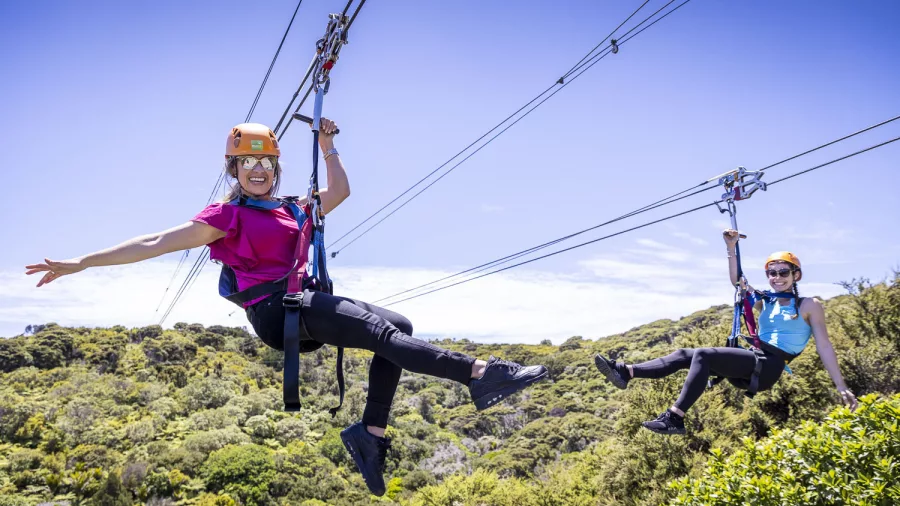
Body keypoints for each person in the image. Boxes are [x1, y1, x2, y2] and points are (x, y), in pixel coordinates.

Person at [25, 120, 548, 495]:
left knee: (398, 325)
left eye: (266, 162)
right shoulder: (226, 215)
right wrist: (82, 263)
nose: (257, 169)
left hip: (304, 299)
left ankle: (370, 435)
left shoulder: (294, 206)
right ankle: (480, 373)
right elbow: (154, 241)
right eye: (247, 162)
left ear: (275, 168)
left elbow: (340, 191)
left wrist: (328, 146)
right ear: (234, 168)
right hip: (278, 311)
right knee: (379, 333)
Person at [593, 229, 858, 435]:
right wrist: (731, 249)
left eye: (783, 272)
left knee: (704, 356)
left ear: (796, 275)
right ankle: (626, 372)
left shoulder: (809, 305)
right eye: (771, 273)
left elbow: (824, 346)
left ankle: (675, 417)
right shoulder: (765, 299)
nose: (776, 277)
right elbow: (738, 283)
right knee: (688, 353)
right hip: (753, 357)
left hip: (770, 366)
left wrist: (840, 385)